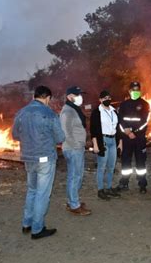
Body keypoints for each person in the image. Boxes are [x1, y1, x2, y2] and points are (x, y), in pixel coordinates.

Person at [12, 85, 65, 239]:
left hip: (28, 158)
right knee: (42, 193)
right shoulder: (49, 113)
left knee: (32, 190)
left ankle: (26, 223)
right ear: (47, 98)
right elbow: (60, 138)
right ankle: (37, 229)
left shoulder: (21, 113)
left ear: (34, 96)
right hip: (45, 158)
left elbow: (15, 135)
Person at [60, 86, 91, 216]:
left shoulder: (74, 109)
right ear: (69, 97)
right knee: (75, 176)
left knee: (75, 176)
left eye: (80, 94)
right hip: (73, 149)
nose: (80, 97)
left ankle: (72, 200)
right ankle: (74, 205)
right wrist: (76, 145)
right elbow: (65, 132)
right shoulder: (67, 111)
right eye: (77, 94)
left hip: (76, 148)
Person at [117, 81, 151, 193]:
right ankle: (124, 182)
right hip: (127, 138)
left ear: (140, 90)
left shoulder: (145, 104)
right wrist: (126, 132)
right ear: (129, 91)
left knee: (141, 162)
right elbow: (120, 121)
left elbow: (145, 122)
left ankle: (142, 184)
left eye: (137, 89)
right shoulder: (123, 105)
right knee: (126, 161)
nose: (135, 91)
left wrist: (134, 132)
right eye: (133, 90)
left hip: (139, 138)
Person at [90, 90, 122, 200]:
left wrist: (120, 142)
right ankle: (100, 190)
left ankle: (108, 188)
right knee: (102, 166)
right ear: (100, 100)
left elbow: (118, 128)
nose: (107, 99)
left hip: (113, 140)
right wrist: (95, 144)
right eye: (104, 98)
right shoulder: (96, 112)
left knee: (111, 166)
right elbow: (93, 130)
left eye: (109, 97)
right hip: (102, 140)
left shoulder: (114, 111)